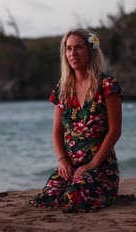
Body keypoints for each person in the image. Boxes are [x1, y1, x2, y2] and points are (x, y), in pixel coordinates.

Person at [30, 28, 123, 212]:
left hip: (100, 168)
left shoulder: (107, 85)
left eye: (78, 48)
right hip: (71, 168)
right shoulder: (63, 89)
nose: (73, 53)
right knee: (45, 198)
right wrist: (62, 160)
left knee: (74, 197)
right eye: (69, 48)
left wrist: (92, 164)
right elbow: (57, 132)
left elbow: (115, 131)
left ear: (90, 50)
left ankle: (103, 192)